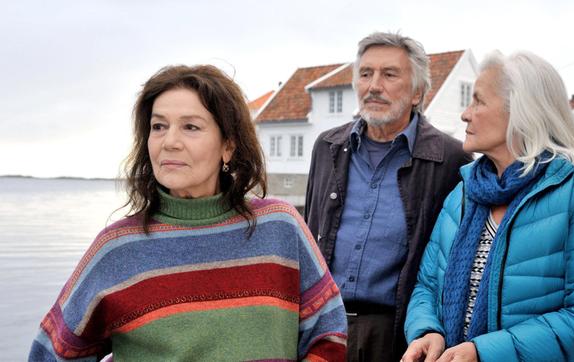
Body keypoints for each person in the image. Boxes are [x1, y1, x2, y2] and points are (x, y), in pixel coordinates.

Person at [29, 65, 347, 361]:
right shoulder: (118, 248)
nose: (170, 142)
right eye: (158, 126)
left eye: (191, 127)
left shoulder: (280, 226)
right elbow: (52, 351)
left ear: (228, 146)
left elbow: (328, 333)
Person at [402, 51, 574, 362]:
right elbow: (427, 287)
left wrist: (484, 353)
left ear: (523, 111)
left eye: (479, 101)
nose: (465, 114)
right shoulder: (462, 195)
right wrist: (426, 330)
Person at [305, 32, 472, 361]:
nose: (373, 85)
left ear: (417, 93)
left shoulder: (452, 160)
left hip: (398, 335)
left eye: (389, 74)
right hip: (322, 329)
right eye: (365, 74)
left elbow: (453, 261)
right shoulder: (327, 147)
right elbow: (309, 233)